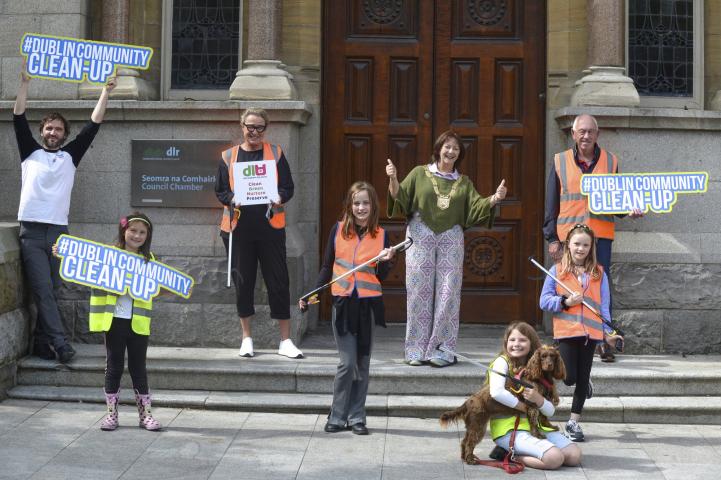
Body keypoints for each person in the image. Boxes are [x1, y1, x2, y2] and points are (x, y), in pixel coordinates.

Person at [14, 63, 116, 363]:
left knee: (53, 291)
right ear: (42, 131)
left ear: (64, 134)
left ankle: (40, 345)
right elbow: (18, 117)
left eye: (58, 129)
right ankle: (61, 344)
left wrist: (105, 92)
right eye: (49, 128)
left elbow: (93, 126)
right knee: (44, 291)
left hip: (59, 233)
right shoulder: (29, 153)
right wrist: (24, 84)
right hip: (31, 232)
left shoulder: (70, 156)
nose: (53, 132)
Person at [386, 130, 507, 367]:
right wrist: (392, 178)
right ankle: (416, 350)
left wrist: (495, 198)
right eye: (447, 147)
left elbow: (476, 206)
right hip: (420, 235)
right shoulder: (419, 173)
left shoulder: (464, 182)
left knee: (448, 292)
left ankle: (442, 350)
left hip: (451, 237)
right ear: (438, 148)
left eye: (455, 149)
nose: (450, 151)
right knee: (418, 291)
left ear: (459, 154)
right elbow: (400, 197)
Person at [543, 113, 641, 362]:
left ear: (597, 134)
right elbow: (551, 204)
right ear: (573, 134)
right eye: (581, 132)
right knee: (565, 287)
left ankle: (603, 340)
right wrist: (552, 238)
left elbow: (617, 201)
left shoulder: (611, 161)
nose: (586, 136)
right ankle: (565, 338)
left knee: (601, 288)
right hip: (569, 239)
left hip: (600, 238)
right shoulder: (560, 161)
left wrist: (629, 211)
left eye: (590, 131)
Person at [299, 182, 394, 435]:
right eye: (357, 203)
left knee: (363, 363)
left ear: (373, 206)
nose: (361, 207)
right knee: (347, 362)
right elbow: (326, 266)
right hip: (342, 304)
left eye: (366, 203)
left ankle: (357, 417)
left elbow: (382, 275)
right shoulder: (338, 230)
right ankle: (338, 414)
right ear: (350, 206)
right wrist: (312, 295)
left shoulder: (382, 236)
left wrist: (386, 262)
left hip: (368, 306)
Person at [215, 107, 303, 359]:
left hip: (270, 228)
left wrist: (279, 197)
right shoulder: (228, 156)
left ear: (266, 129)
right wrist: (233, 199)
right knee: (244, 283)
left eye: (259, 127)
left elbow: (287, 186)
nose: (254, 131)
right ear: (241, 126)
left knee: (278, 280)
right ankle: (247, 338)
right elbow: (220, 190)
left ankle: (285, 340)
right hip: (237, 229)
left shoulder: (275, 154)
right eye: (249, 126)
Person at [539, 224, 622, 442]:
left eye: (586, 245)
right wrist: (565, 301)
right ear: (568, 245)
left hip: (591, 334)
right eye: (577, 244)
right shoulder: (558, 271)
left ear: (591, 247)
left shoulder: (599, 273)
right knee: (569, 378)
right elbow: (544, 301)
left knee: (582, 378)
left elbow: (603, 306)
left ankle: (573, 422)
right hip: (567, 332)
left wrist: (608, 333)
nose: (581, 248)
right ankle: (582, 384)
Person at [90, 213, 164, 431]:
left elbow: (156, 290)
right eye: (133, 230)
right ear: (123, 231)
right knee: (114, 366)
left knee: (138, 367)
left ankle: (146, 416)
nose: (137, 235)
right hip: (114, 320)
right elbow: (84, 268)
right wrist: (61, 254)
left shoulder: (150, 259)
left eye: (142, 232)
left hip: (138, 322)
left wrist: (173, 290)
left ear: (148, 235)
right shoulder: (109, 255)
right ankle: (111, 415)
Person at [487, 322, 582, 470]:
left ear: (532, 343)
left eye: (522, 340)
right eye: (512, 340)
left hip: (537, 427)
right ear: (506, 342)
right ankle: (509, 454)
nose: (516, 344)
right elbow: (497, 392)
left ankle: (525, 450)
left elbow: (550, 411)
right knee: (555, 459)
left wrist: (538, 399)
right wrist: (524, 407)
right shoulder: (502, 362)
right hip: (510, 429)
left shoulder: (540, 363)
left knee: (573, 456)